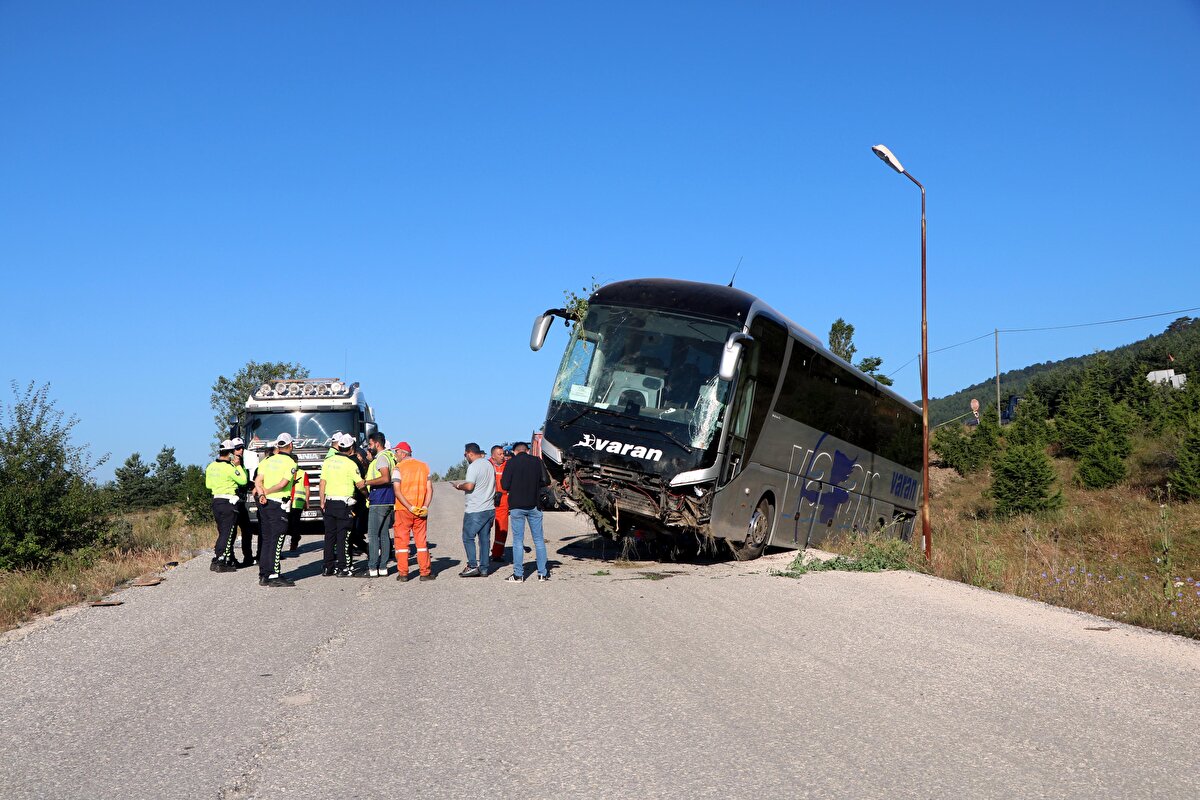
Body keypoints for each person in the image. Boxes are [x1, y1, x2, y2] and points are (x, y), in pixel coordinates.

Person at [252, 433, 302, 587]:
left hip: (265, 504)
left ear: (278, 446)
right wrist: (267, 492)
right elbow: (283, 483)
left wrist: (262, 494)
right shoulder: (291, 462)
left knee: (267, 539)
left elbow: (257, 481)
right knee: (277, 539)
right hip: (278, 504)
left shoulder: (266, 461)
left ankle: (264, 574)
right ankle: (274, 574)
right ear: (291, 445)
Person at [501, 441, 551, 582]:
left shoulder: (510, 463)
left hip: (516, 506)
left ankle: (518, 575)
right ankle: (542, 573)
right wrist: (535, 484)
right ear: (527, 450)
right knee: (539, 540)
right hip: (534, 504)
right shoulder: (537, 461)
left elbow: (504, 485)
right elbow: (546, 480)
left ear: (515, 451)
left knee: (518, 541)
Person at [320, 433, 365, 577]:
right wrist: (367, 495)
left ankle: (327, 567)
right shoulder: (350, 464)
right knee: (343, 536)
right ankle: (343, 567)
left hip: (329, 502)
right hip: (344, 504)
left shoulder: (328, 461)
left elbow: (322, 482)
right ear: (351, 448)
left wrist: (322, 501)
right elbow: (360, 484)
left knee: (329, 537)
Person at [391, 441, 435, 581]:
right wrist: (425, 506)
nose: (395, 455)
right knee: (421, 542)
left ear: (403, 453)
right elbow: (430, 489)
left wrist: (409, 507)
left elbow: (397, 491)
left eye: (396, 452)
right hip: (420, 510)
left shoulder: (398, 468)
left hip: (403, 509)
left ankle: (403, 573)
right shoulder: (424, 466)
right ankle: (425, 573)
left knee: (402, 542)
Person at [452, 442, 495, 577]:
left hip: (475, 509)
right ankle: (484, 568)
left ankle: (472, 565)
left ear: (470, 453)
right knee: (484, 539)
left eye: (465, 455)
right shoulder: (488, 464)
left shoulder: (473, 466)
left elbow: (470, 486)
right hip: (489, 508)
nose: (465, 457)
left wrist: (459, 486)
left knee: (468, 537)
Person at [204, 439, 248, 572]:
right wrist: (238, 466)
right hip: (229, 502)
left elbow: (208, 485)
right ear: (230, 453)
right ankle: (220, 559)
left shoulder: (211, 466)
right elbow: (243, 480)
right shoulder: (230, 467)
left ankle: (220, 559)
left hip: (216, 501)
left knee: (222, 531)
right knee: (227, 533)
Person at [363, 432, 396, 577]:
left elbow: (385, 478)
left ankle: (372, 567)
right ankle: (383, 567)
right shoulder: (390, 456)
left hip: (379, 500)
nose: (369, 447)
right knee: (383, 535)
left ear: (377, 444)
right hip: (389, 499)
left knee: (373, 535)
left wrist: (366, 482)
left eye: (370, 444)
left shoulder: (382, 458)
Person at [229, 437, 260, 568]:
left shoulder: (243, 464)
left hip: (241, 502)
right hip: (232, 502)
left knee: (247, 530)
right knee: (232, 532)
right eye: (237, 448)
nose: (241, 450)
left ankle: (248, 557)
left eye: (242, 447)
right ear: (232, 450)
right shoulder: (229, 465)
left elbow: (246, 481)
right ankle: (230, 558)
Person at [487, 445, 511, 563]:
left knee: (502, 529)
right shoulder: (486, 465)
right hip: (488, 501)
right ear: (493, 456)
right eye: (500, 454)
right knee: (485, 528)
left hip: (503, 500)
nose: (503, 456)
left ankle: (497, 553)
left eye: (503, 454)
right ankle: (484, 554)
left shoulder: (508, 466)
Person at [288, 463, 311, 552]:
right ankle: (296, 536)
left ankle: (294, 543)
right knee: (287, 524)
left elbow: (307, 488)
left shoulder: (303, 473)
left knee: (295, 523)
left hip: (298, 502)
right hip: (287, 502)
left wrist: (307, 502)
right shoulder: (286, 471)